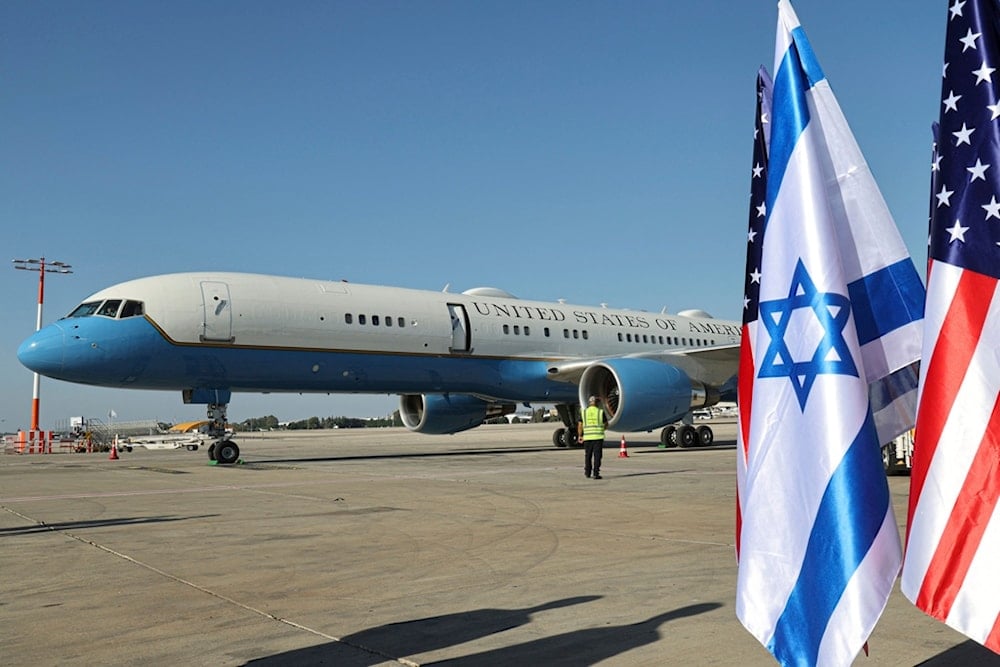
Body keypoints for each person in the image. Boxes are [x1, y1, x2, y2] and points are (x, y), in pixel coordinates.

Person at [578, 395, 607, 479]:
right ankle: (596, 473)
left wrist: (580, 435)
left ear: (589, 403)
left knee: (588, 456)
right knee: (597, 456)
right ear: (596, 403)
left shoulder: (584, 412)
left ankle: (587, 472)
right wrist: (602, 429)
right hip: (598, 437)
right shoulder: (600, 412)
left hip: (587, 438)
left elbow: (580, 425)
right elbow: (606, 424)